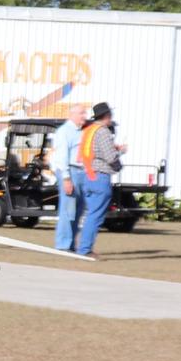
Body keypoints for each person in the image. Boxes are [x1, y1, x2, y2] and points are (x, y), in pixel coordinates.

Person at [74, 101, 122, 257]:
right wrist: (119, 157)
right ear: (106, 116)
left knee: (90, 214)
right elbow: (110, 157)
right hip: (100, 177)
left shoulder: (89, 130)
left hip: (87, 175)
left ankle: (83, 247)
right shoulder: (103, 131)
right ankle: (85, 249)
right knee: (95, 216)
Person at [48, 98, 89, 252]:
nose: (84, 116)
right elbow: (62, 156)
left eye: (84, 113)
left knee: (78, 210)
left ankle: (71, 243)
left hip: (80, 172)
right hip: (70, 171)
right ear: (72, 114)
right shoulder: (65, 131)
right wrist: (66, 178)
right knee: (68, 209)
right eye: (81, 113)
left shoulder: (81, 132)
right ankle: (63, 244)